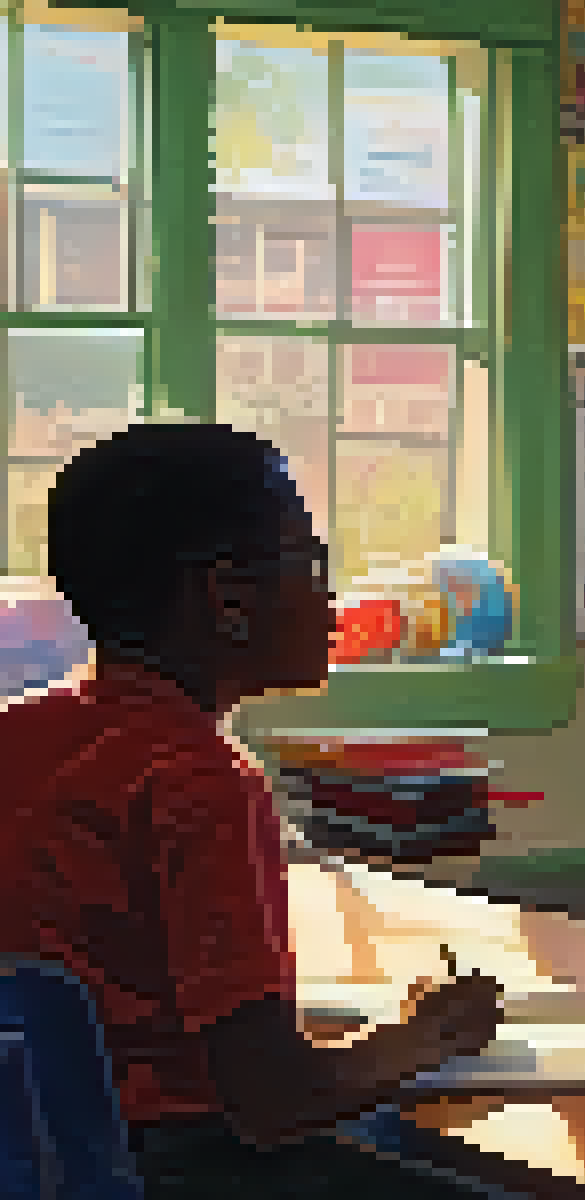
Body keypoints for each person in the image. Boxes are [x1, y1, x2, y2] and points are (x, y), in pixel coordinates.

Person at [0, 424, 503, 1199]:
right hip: (184, 1169)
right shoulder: (196, 779)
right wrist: (427, 1037)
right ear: (229, 597)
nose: (331, 599)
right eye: (312, 562)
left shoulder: (18, 734)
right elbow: (274, 1101)